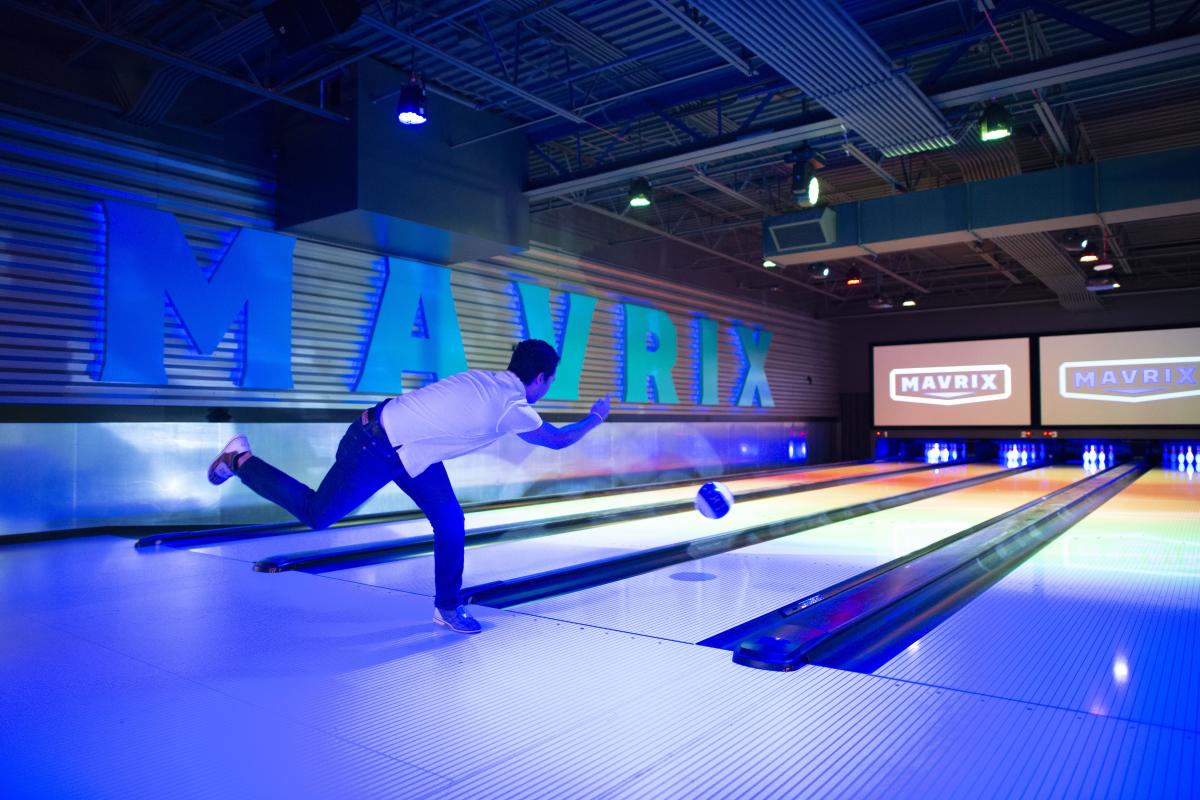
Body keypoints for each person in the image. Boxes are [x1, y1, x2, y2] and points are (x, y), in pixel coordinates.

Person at [207, 339, 611, 634]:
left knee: (451, 521)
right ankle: (240, 459)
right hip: (377, 445)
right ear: (540, 378)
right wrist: (594, 418)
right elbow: (557, 440)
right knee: (317, 515)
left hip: (410, 451)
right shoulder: (510, 404)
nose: (547, 390)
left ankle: (447, 607)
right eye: (550, 382)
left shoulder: (487, 383)